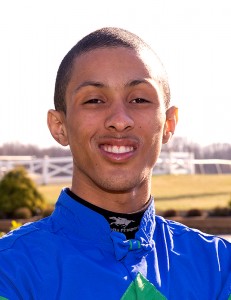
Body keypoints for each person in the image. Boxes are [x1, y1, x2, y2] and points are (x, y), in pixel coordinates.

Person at [0, 27, 230, 300]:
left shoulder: (219, 268)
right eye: (95, 100)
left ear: (169, 124)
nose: (120, 119)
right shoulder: (11, 271)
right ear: (59, 126)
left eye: (139, 99)